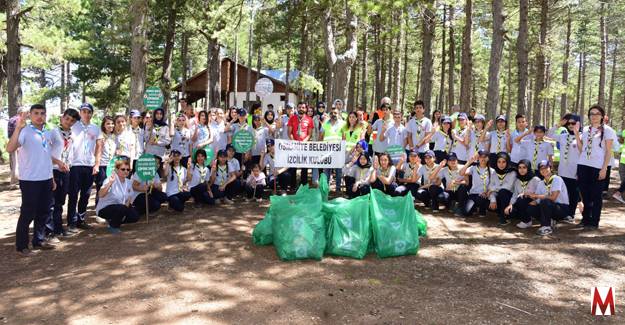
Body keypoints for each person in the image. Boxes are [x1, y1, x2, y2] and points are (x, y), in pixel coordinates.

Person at [6, 104, 57, 255]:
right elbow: (10, 148)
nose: (40, 116)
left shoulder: (47, 133)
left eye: (42, 113)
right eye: (36, 113)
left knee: (44, 212)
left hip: (46, 178)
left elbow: (47, 158)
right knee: (28, 213)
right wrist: (17, 128)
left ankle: (39, 240)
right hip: (30, 180)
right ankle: (22, 246)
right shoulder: (24, 131)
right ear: (30, 115)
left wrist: (52, 178)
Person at [576, 105, 614, 230]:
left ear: (602, 116)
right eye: (592, 114)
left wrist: (604, 169)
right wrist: (577, 134)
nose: (594, 116)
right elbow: (582, 149)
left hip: (598, 166)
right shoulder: (586, 129)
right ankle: (585, 218)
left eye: (597, 113)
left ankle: (594, 221)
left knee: (596, 195)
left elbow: (608, 151)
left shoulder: (607, 130)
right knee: (584, 193)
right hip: (583, 164)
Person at [46, 108, 80, 238]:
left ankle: (59, 228)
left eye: (72, 120)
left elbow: (69, 153)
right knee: (52, 202)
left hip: (66, 171)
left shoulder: (72, 135)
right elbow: (45, 151)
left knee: (60, 201)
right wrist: (58, 162)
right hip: (54, 170)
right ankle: (50, 230)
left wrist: (67, 164)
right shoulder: (53, 132)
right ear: (62, 118)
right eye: (67, 119)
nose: (69, 122)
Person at [68, 103, 100, 231]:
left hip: (89, 165)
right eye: (84, 111)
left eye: (89, 112)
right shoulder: (73, 126)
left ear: (92, 114)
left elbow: (99, 147)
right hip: (75, 165)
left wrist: (96, 164)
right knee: (73, 195)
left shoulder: (95, 128)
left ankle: (81, 219)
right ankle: (71, 222)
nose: (86, 114)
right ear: (80, 113)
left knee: (86, 195)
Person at [95, 159, 138, 234]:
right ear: (117, 170)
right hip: (104, 208)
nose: (126, 171)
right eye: (123, 169)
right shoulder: (110, 179)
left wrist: (124, 211)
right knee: (121, 208)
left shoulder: (128, 182)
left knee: (134, 217)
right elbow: (100, 194)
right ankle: (113, 226)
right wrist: (110, 183)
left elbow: (129, 198)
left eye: (128, 169)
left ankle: (114, 219)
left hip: (120, 207)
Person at [528, 160, 570, 236]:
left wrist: (536, 196)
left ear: (550, 168)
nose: (543, 170)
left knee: (545, 201)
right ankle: (550, 220)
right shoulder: (541, 183)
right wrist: (534, 202)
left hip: (561, 208)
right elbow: (537, 199)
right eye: (541, 169)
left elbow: (553, 198)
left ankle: (546, 226)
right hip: (549, 206)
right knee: (530, 207)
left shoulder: (557, 179)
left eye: (546, 167)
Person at [553, 114, 581, 222]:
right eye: (568, 123)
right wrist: (559, 125)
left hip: (575, 171)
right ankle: (560, 213)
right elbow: (550, 135)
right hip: (562, 170)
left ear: (578, 123)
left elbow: (582, 149)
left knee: (573, 193)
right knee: (562, 193)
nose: (570, 125)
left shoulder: (582, 136)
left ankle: (571, 214)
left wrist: (577, 133)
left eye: (573, 123)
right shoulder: (563, 136)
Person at [504, 160, 539, 229]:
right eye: (519, 167)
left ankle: (527, 221)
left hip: (534, 203)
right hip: (521, 202)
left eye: (524, 167)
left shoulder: (535, 180)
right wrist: (510, 205)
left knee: (521, 199)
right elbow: (515, 195)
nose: (521, 170)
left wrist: (536, 201)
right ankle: (525, 217)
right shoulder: (517, 180)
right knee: (511, 211)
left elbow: (541, 194)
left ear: (528, 168)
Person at [459, 150, 494, 217]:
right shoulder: (473, 168)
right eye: (481, 157)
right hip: (473, 194)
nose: (483, 158)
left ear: (488, 158)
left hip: (484, 195)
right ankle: (474, 207)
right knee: (466, 213)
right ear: (478, 158)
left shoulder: (492, 171)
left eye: (485, 156)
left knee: (481, 199)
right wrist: (469, 162)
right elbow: (461, 173)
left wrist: (487, 192)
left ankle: (482, 209)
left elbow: (493, 185)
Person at [287, 102, 313, 187]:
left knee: (304, 166)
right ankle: (292, 185)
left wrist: (304, 142)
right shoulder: (292, 118)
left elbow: (309, 134)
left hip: (304, 146)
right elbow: (289, 132)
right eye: (299, 107)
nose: (301, 109)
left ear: (305, 109)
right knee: (293, 166)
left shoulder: (309, 119)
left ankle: (303, 185)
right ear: (297, 108)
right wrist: (293, 141)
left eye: (303, 107)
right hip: (294, 145)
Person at [321, 106, 346, 191]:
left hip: (338, 152)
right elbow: (320, 137)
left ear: (339, 114)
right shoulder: (325, 124)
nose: (333, 114)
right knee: (327, 171)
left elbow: (344, 137)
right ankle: (326, 189)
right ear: (329, 114)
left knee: (338, 171)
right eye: (331, 113)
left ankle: (338, 189)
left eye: (335, 113)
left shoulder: (343, 124)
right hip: (327, 152)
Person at [488, 152, 516, 226]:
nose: (501, 164)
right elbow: (490, 187)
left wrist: (493, 189)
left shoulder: (512, 172)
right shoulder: (494, 172)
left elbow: (508, 187)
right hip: (499, 195)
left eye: (504, 162)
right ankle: (499, 212)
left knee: (503, 192)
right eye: (499, 162)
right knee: (485, 200)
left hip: (510, 199)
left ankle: (504, 217)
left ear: (507, 162)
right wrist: (493, 200)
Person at [94, 116, 117, 206]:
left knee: (110, 186)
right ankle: (98, 208)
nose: (110, 125)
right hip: (102, 165)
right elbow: (97, 152)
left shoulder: (113, 136)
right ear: (103, 125)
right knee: (101, 186)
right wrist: (96, 166)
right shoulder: (100, 136)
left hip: (111, 166)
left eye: (112, 123)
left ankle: (107, 206)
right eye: (108, 123)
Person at [613, 130, 625, 204]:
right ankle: (618, 193)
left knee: (624, 181)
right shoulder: (622, 145)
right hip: (622, 163)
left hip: (622, 163)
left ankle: (619, 194)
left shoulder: (622, 145)